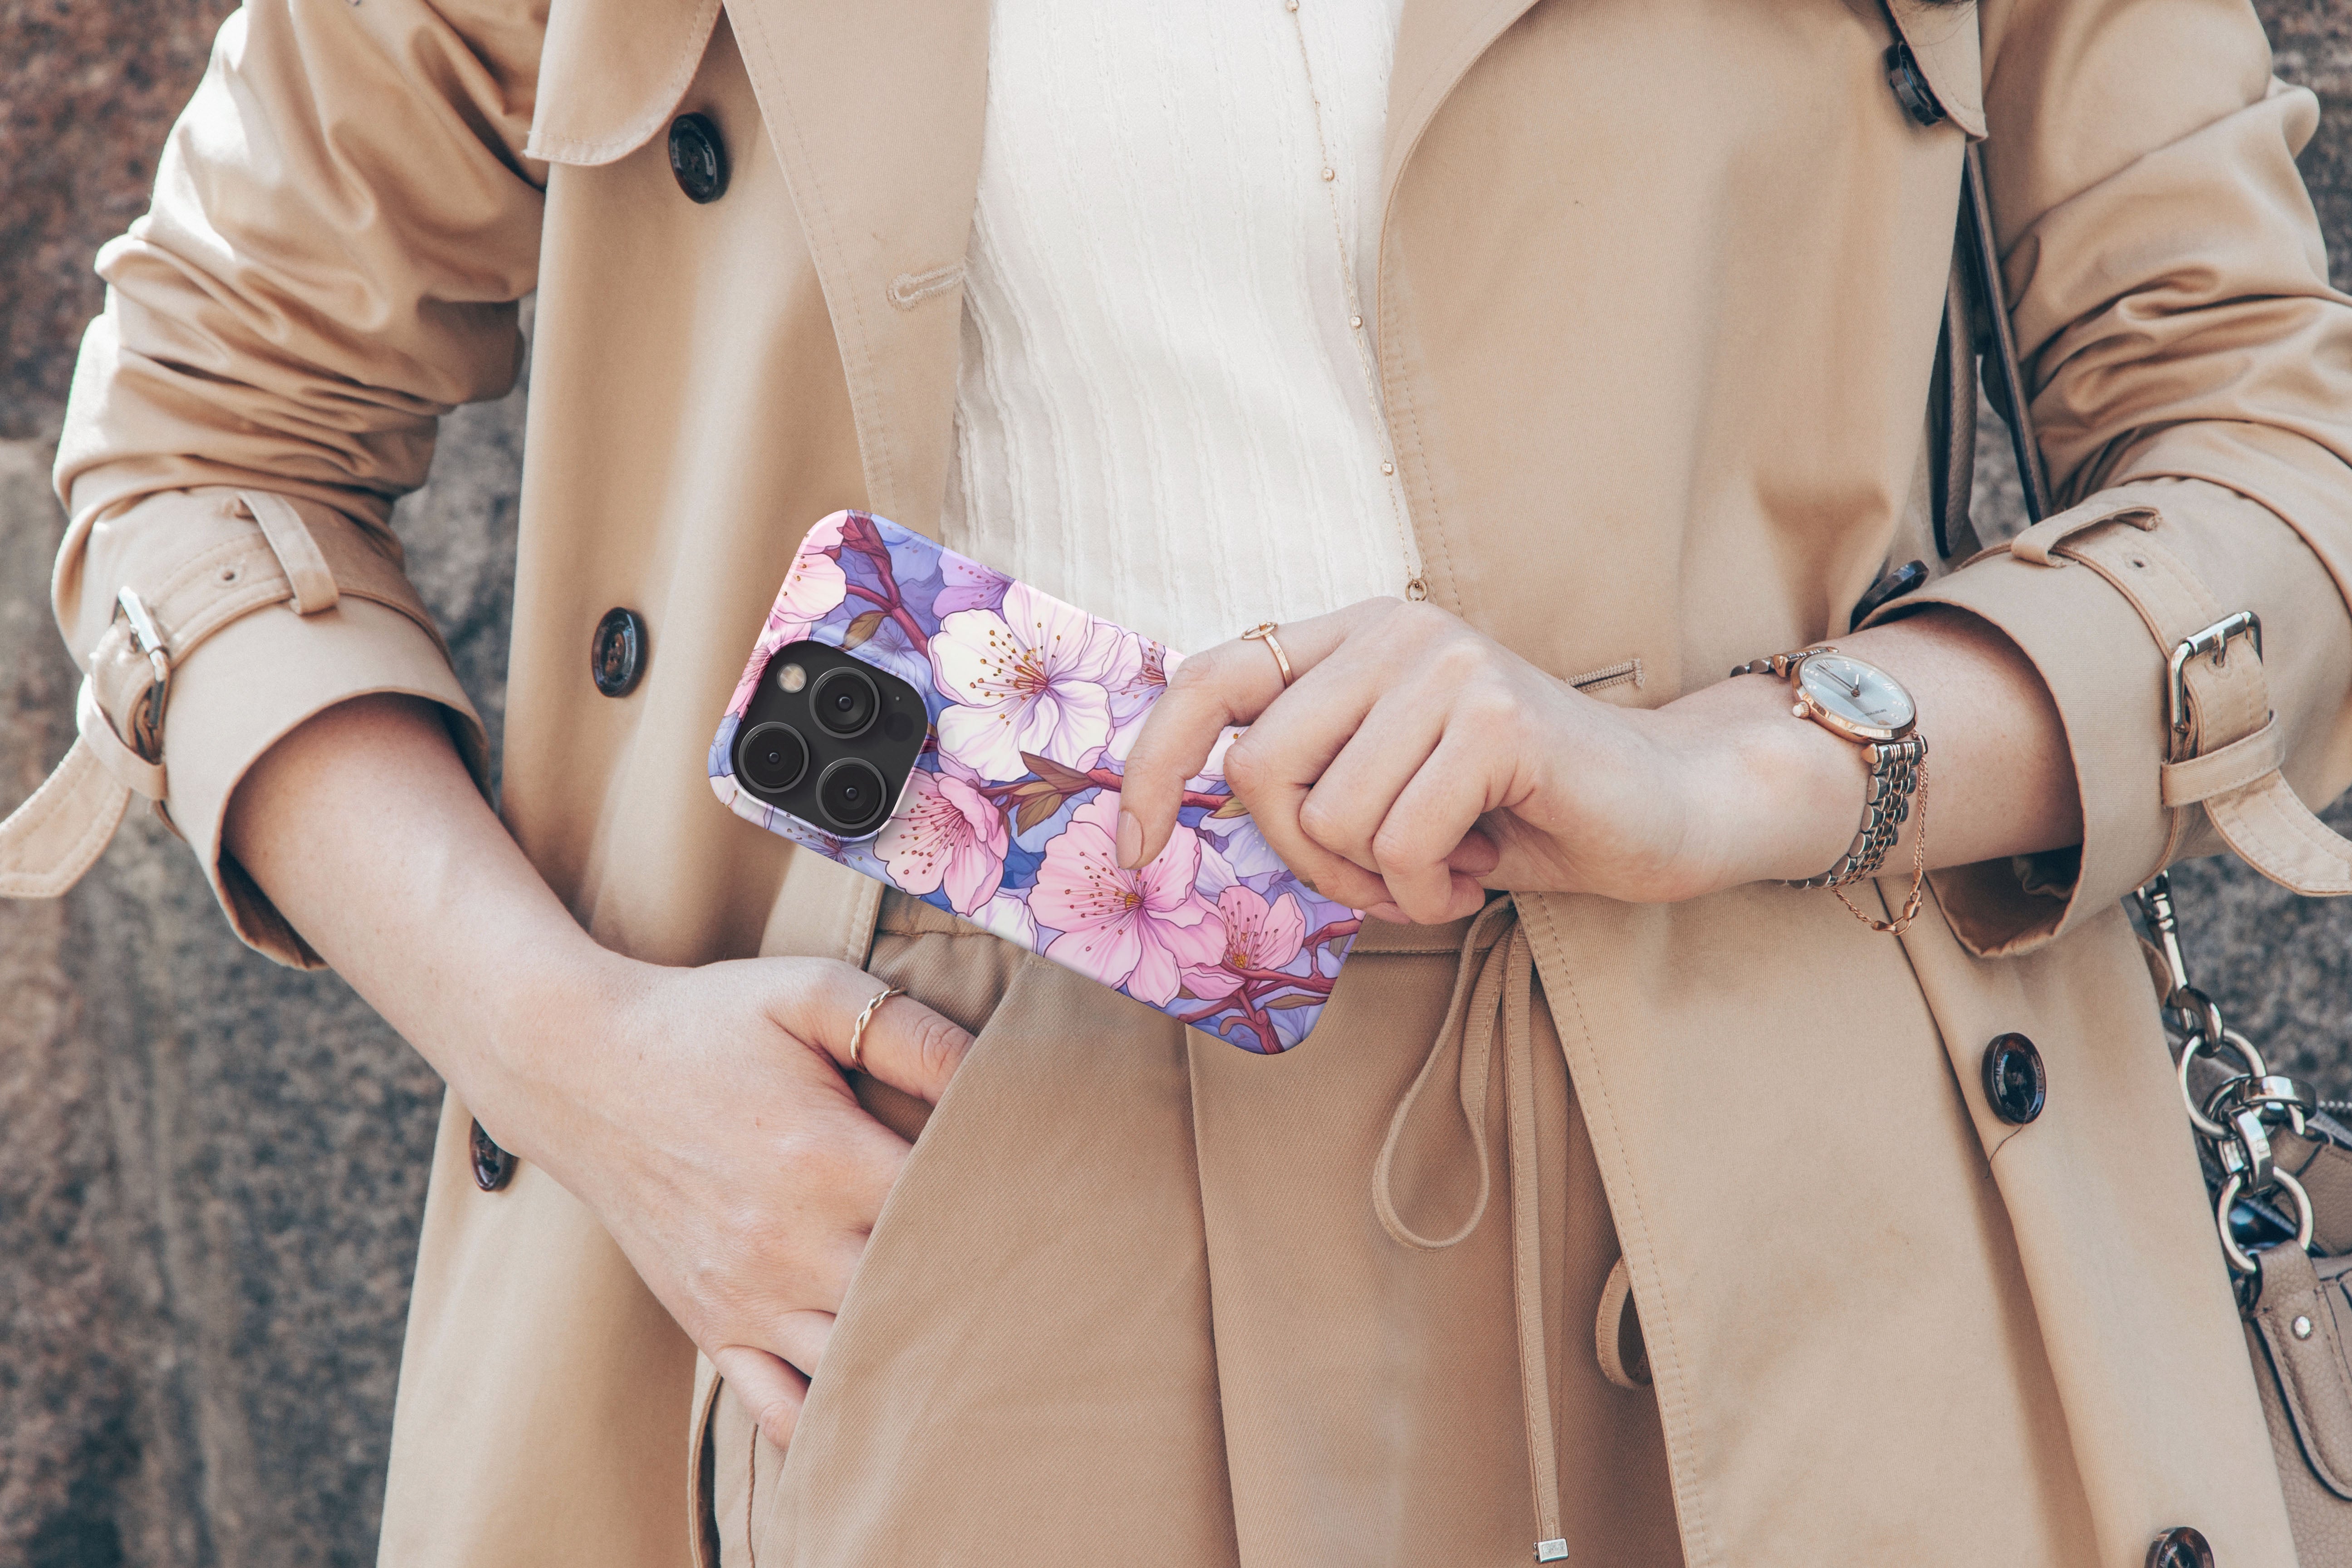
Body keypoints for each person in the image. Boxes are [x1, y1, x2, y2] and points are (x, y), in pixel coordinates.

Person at [8, 0, 2352, 1560]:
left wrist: (1742, 767)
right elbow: (203, 439)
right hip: (913, 1206)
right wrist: (590, 1072)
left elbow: (2275, 433)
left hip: (1783, 1220)